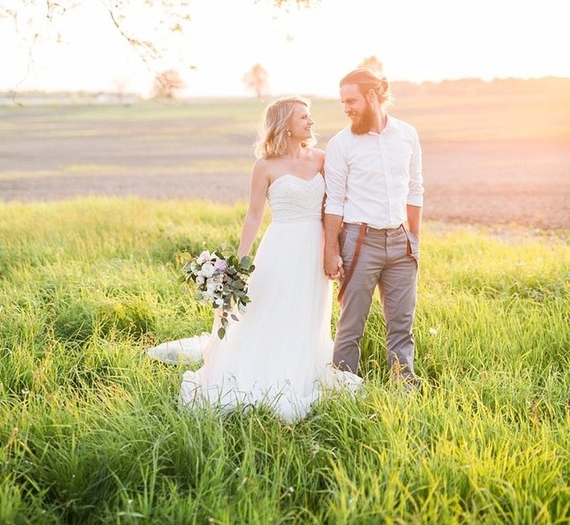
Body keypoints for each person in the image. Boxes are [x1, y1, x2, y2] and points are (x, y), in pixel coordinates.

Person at [147, 96, 361, 422]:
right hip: (281, 246)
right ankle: (265, 368)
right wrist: (238, 263)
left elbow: (335, 206)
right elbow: (253, 216)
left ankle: (301, 366)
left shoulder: (321, 158)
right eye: (303, 117)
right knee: (270, 308)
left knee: (308, 312)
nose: (311, 122)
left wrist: (333, 249)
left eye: (309, 116)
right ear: (285, 125)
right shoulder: (265, 166)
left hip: (313, 248)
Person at [323, 68, 424, 387]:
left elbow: (416, 189)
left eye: (351, 100)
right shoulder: (341, 144)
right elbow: (334, 201)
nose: (346, 108)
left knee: (402, 324)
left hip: (400, 242)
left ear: (372, 96)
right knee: (351, 324)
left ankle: (403, 387)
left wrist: (414, 238)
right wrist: (331, 250)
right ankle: (343, 387)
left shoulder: (407, 134)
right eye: (343, 102)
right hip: (359, 241)